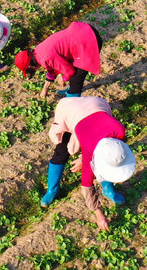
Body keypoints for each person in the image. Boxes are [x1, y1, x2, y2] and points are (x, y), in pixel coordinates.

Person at [39, 96, 136, 231]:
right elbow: (87, 184)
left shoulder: (119, 131)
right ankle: (52, 190)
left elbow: (110, 154)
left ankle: (108, 189)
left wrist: (83, 158)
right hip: (70, 110)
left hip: (96, 106)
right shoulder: (89, 145)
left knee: (111, 159)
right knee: (61, 152)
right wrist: (99, 214)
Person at [14, 21, 102, 97]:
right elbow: (52, 70)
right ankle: (71, 91)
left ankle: (72, 99)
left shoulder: (46, 58)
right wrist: (45, 89)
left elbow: (69, 71)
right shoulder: (38, 51)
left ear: (31, 66)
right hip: (82, 30)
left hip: (88, 40)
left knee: (76, 77)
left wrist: (63, 77)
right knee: (72, 68)